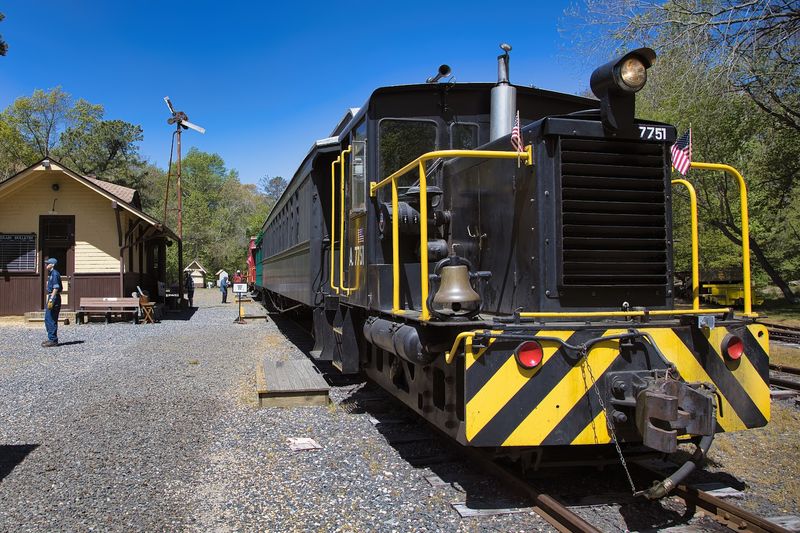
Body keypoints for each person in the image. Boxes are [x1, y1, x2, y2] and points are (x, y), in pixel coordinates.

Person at [43, 257, 61, 347]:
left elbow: (56, 287)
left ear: (52, 265)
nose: (46, 265)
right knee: (48, 318)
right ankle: (51, 338)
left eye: (48, 263)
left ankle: (53, 340)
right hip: (52, 296)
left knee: (51, 318)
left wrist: (51, 299)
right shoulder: (51, 273)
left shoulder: (54, 274)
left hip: (53, 297)